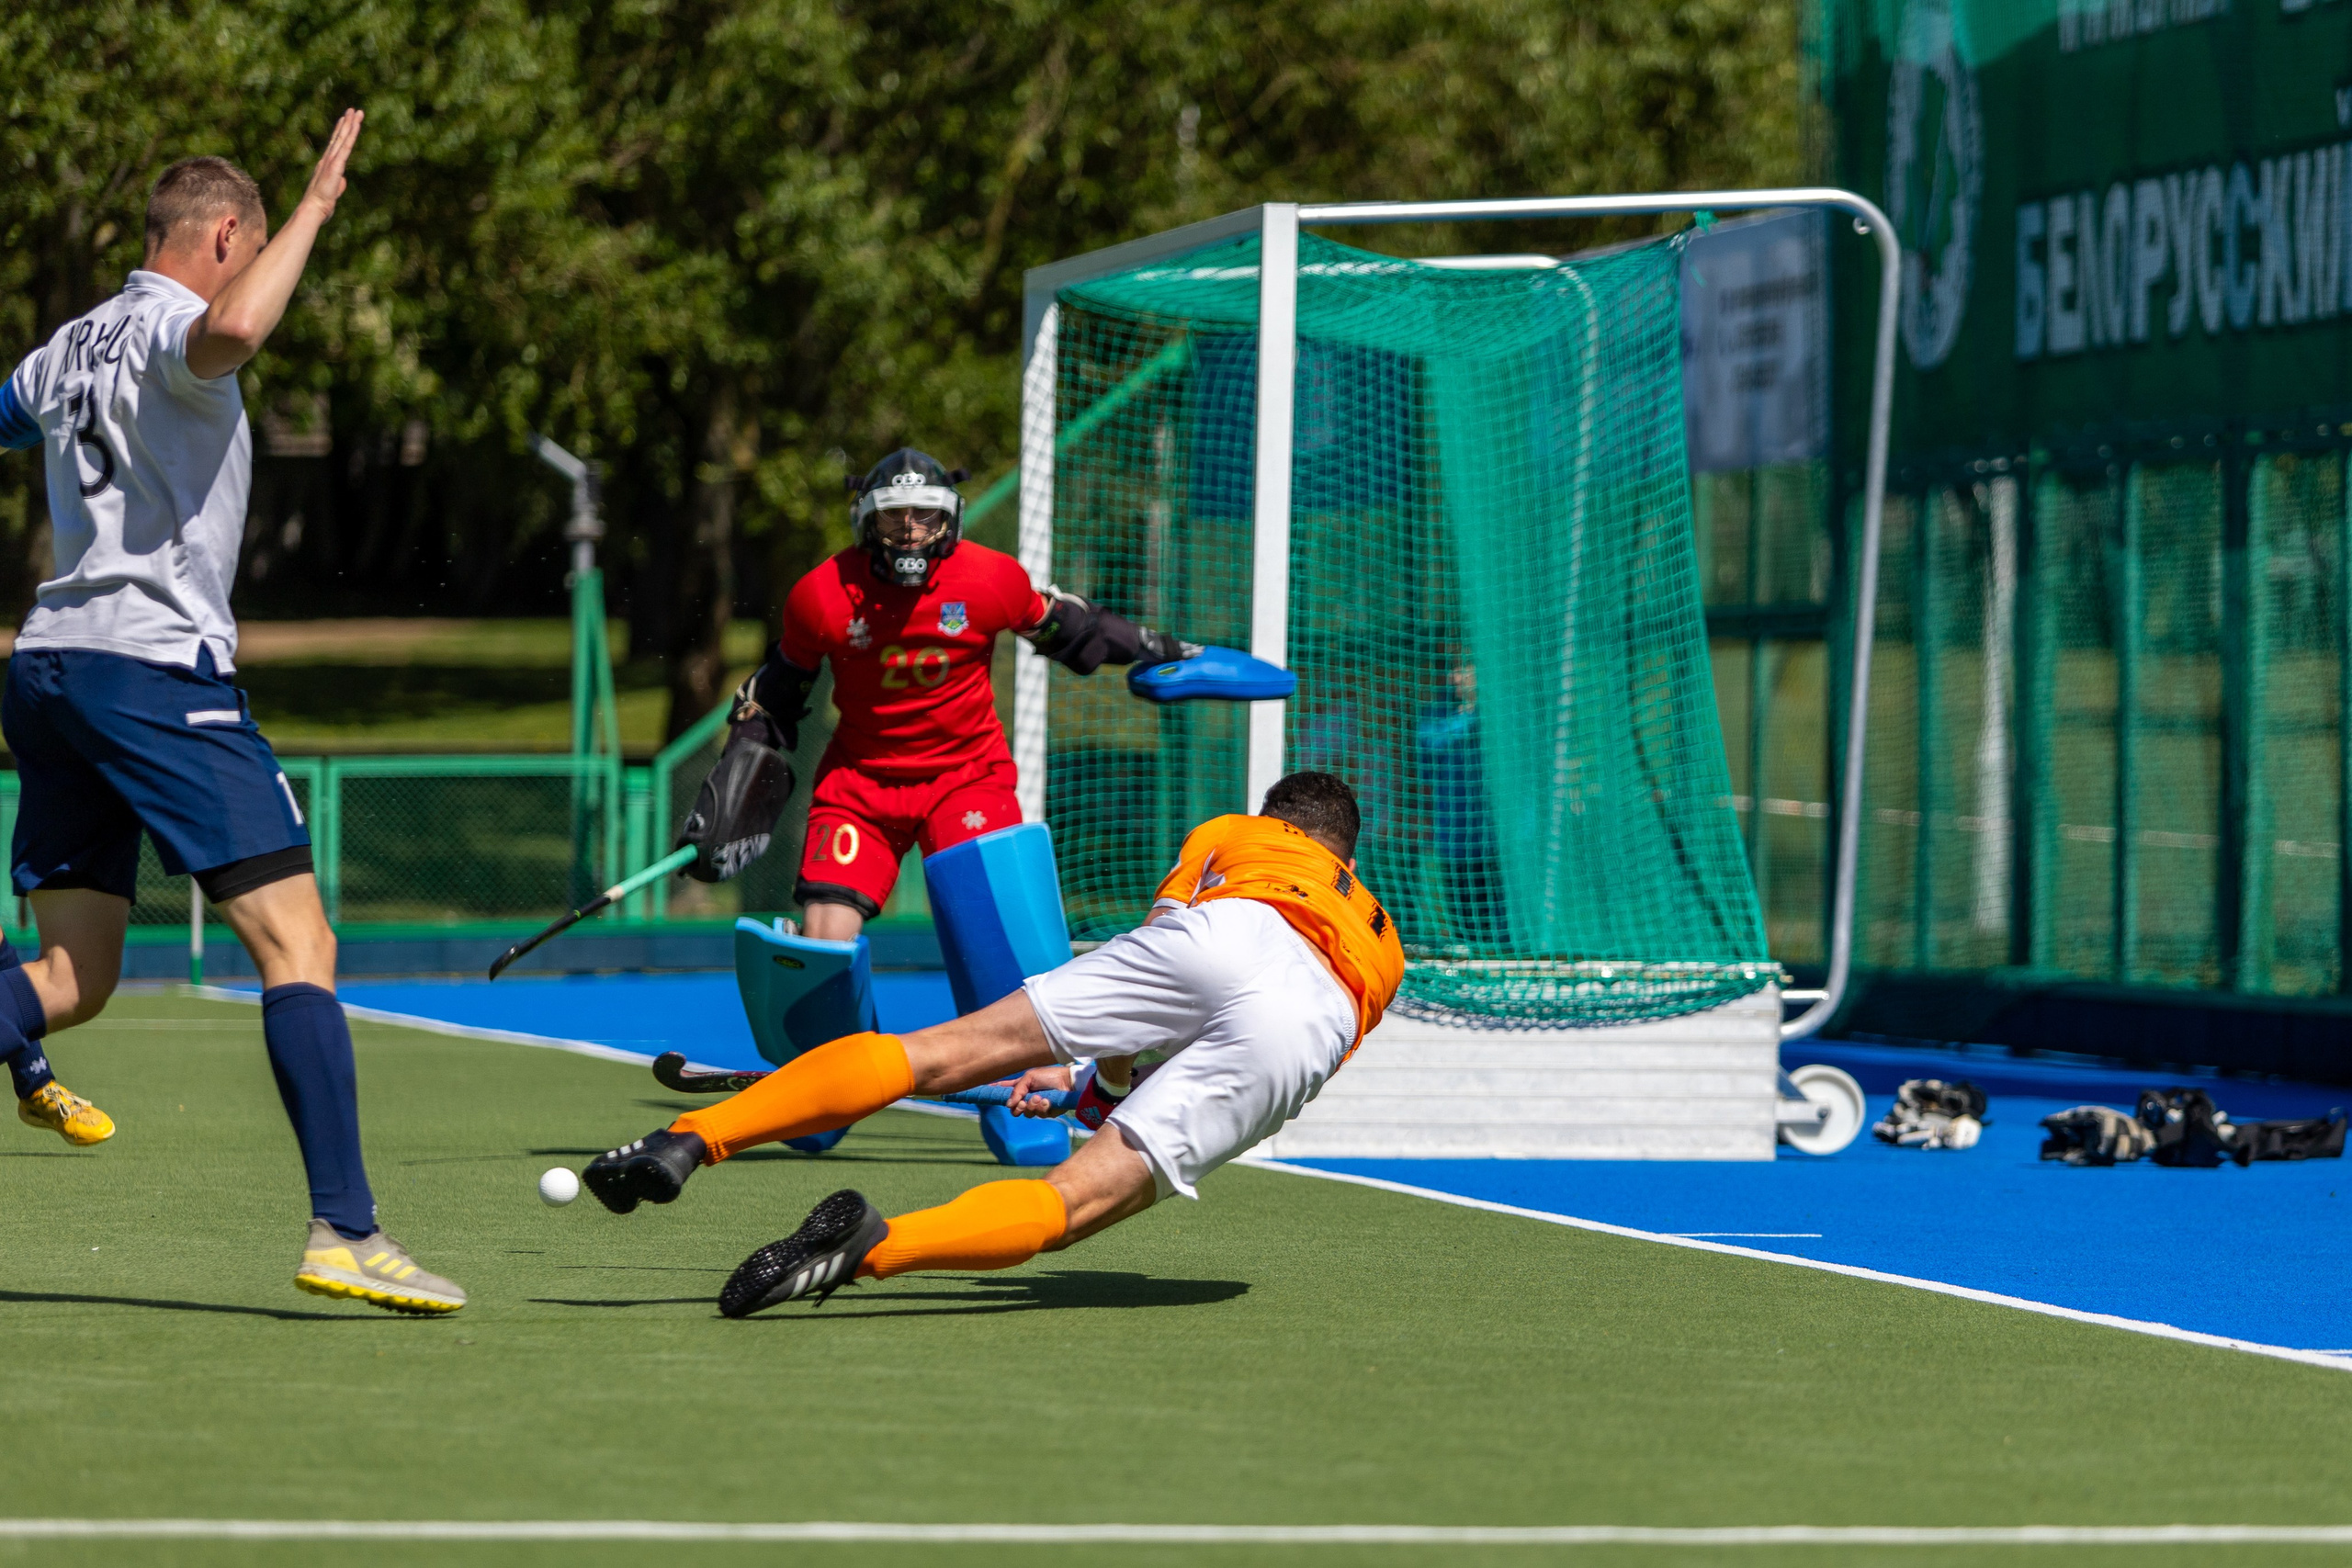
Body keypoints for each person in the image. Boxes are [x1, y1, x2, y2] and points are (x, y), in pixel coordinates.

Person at [0, 115, 465, 1314]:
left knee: (72, 973)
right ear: (221, 236)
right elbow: (240, 325)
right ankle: (345, 1229)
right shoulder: (169, 328)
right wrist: (315, 204)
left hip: (50, 667)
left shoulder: (67, 344)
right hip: (151, 674)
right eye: (249, 246)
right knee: (300, 944)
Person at [584, 770, 1403, 1317]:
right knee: (1067, 1203)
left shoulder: (1236, 834)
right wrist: (1107, 1095)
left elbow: (1160, 979)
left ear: (1275, 820)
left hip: (1228, 926)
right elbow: (1245, 1038)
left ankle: (685, 1139)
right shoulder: (1384, 942)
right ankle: (873, 1248)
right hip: (1314, 1014)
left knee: (932, 1052)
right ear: (1349, 855)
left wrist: (1101, 1076)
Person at [674, 446, 1194, 931]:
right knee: (824, 931)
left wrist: (1157, 648)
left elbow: (1073, 629)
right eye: (893, 513)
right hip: (860, 787)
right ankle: (838, 1032)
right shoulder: (822, 594)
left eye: (924, 513)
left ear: (950, 517)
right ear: (866, 518)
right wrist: (729, 785)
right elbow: (775, 696)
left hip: (966, 778)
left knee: (996, 934)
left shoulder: (991, 578)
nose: (908, 528)